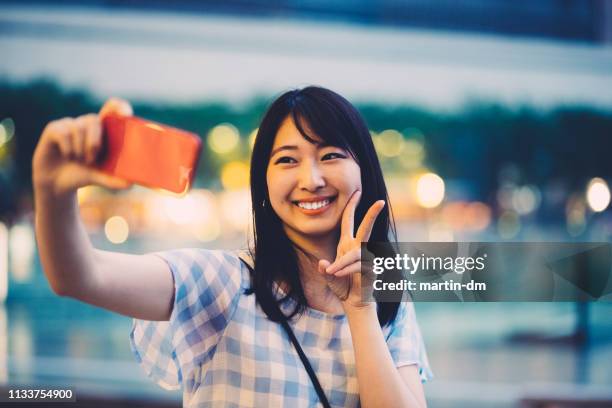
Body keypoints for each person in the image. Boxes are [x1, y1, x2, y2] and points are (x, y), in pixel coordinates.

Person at [32, 86, 432, 407]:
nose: (311, 179)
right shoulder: (224, 283)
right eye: (287, 161)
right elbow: (81, 276)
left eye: (330, 155)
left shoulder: (386, 299)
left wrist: (360, 310)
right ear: (264, 184)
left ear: (364, 169)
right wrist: (52, 190)